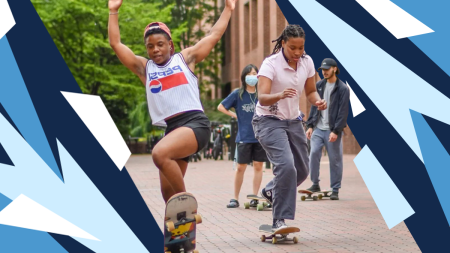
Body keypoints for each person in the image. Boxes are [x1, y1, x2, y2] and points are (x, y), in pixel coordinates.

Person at [108, 0, 237, 202]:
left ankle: (187, 202)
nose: (155, 50)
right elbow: (116, 44)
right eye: (150, 47)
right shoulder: (145, 68)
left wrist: (228, 9)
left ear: (171, 45)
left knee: (159, 154)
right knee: (168, 195)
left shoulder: (185, 59)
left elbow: (213, 35)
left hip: (195, 124)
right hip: (172, 130)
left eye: (160, 44)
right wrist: (113, 12)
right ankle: (182, 229)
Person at [253, 24, 327, 231]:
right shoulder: (271, 64)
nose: (297, 52)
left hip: (293, 121)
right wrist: (280, 94)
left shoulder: (307, 62)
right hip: (268, 121)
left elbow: (311, 91)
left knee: (302, 171)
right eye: (292, 47)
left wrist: (318, 101)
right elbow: (262, 98)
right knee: (286, 166)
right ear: (283, 43)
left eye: (301, 48)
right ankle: (279, 219)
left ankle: (270, 191)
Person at [217, 64, 269, 208]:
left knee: (258, 166)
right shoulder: (237, 94)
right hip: (244, 137)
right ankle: (234, 198)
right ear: (244, 77)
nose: (252, 76)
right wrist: (234, 115)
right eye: (249, 73)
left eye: (254, 73)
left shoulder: (261, 94)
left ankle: (254, 197)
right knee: (241, 167)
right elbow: (221, 106)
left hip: (259, 136)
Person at [305, 58, 350, 200]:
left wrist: (336, 131)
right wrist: (310, 126)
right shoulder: (319, 85)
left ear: (335, 69)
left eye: (327, 69)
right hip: (318, 128)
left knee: (335, 159)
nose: (324, 72)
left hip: (332, 129)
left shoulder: (342, 88)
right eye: (322, 69)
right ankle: (315, 183)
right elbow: (314, 106)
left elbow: (343, 112)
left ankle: (335, 189)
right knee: (313, 154)